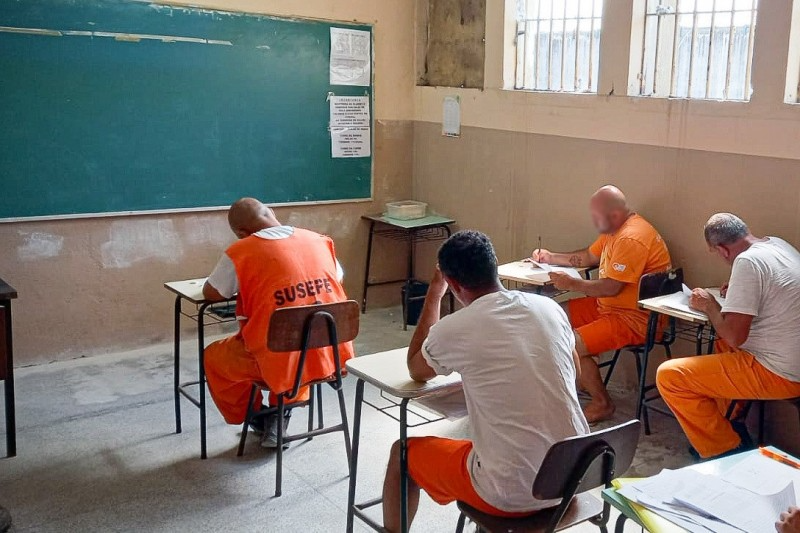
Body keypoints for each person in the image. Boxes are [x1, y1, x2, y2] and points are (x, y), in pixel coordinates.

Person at [381, 230, 589, 533]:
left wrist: (434, 292)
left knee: (403, 453)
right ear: (495, 267)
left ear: (452, 284)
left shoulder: (454, 329)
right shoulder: (550, 308)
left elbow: (416, 368)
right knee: (490, 446)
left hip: (511, 494)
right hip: (574, 475)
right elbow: (575, 375)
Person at [202, 198, 354, 448]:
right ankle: (281, 412)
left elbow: (212, 293)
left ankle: (258, 416)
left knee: (215, 357)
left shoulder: (242, 251)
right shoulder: (319, 241)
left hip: (273, 359)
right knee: (298, 344)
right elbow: (337, 277)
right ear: (272, 213)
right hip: (329, 354)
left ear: (241, 233)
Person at [656, 213, 800, 460]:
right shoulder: (776, 245)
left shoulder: (747, 263)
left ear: (722, 250)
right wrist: (737, 290)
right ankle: (731, 423)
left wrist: (710, 305)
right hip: (790, 358)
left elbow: (735, 337)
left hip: (780, 371)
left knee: (670, 376)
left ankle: (726, 451)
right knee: (721, 344)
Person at [531, 185, 671, 423]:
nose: (594, 221)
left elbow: (611, 287)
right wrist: (550, 257)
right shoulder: (614, 228)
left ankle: (601, 403)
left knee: (568, 343)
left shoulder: (631, 238)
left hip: (634, 319)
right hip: (607, 307)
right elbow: (588, 257)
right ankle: (584, 378)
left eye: (597, 217)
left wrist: (570, 284)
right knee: (552, 316)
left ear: (614, 215)